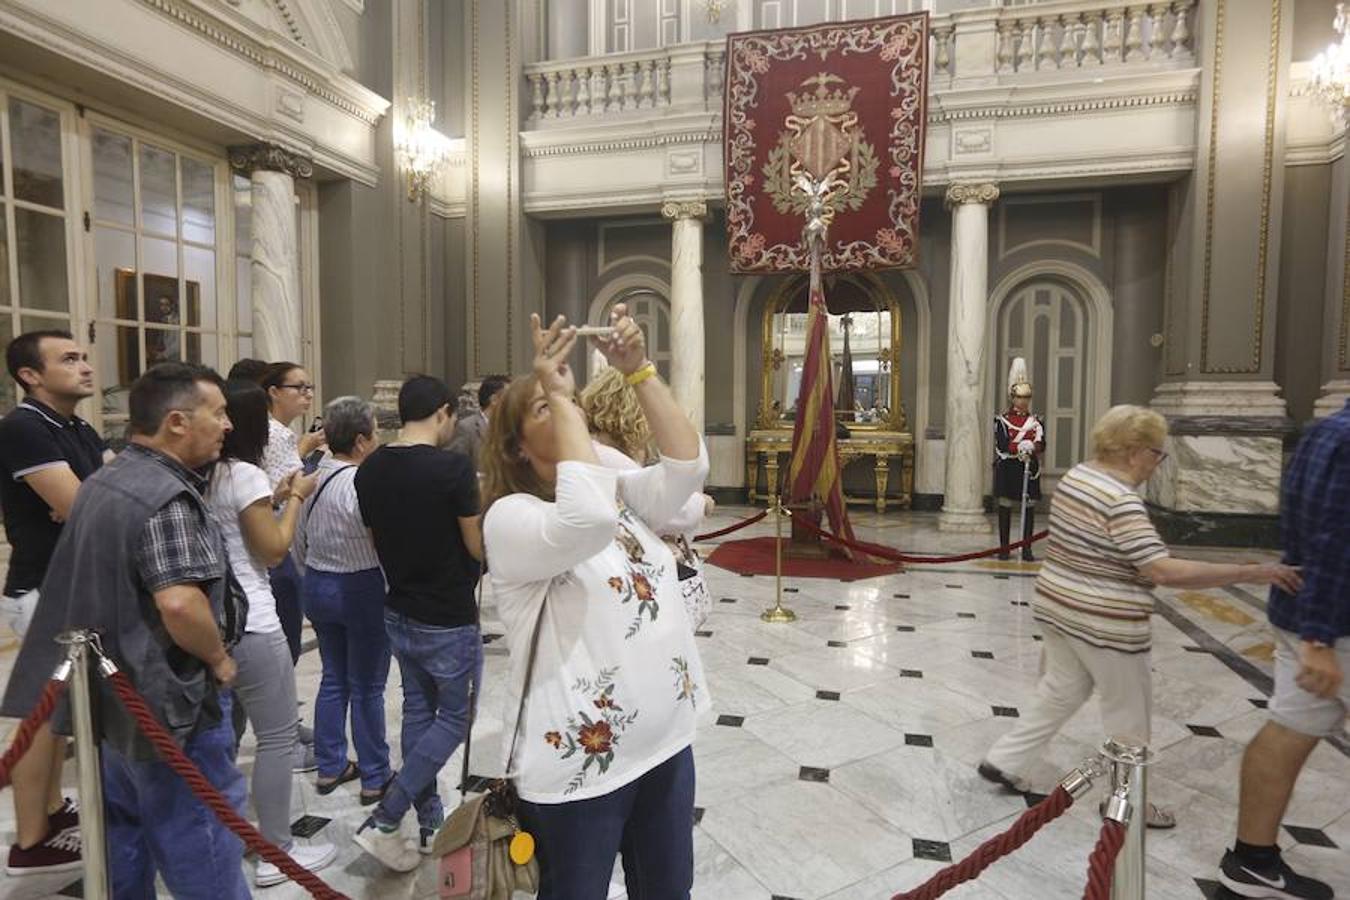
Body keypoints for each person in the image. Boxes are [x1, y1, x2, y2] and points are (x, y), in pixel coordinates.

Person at [977, 405, 1302, 829]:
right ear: (1133, 452)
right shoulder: (1121, 500)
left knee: (1060, 691)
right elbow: (1162, 570)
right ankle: (1127, 802)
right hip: (1106, 625)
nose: (1157, 462)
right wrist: (1250, 571)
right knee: (1129, 718)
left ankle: (1006, 759)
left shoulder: (1077, 476)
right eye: (1156, 453)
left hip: (1058, 608)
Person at [482, 307, 710, 898]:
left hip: (662, 745)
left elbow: (687, 470)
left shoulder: (613, 487)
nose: (568, 408)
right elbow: (587, 519)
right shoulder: (513, 518)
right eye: (545, 406)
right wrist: (558, 389)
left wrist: (639, 372)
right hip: (582, 769)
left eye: (570, 398)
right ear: (514, 448)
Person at [1, 362, 251, 898]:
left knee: (125, 831)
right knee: (202, 840)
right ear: (178, 421)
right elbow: (180, 603)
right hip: (170, 707)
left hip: (113, 702)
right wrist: (218, 659)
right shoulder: (165, 496)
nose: (227, 424)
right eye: (219, 412)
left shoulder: (105, 479)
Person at [1216, 400, 1349, 900]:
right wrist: (1320, 636)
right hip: (1334, 622)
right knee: (1290, 728)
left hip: (1304, 605)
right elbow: (1339, 540)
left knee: (1290, 728)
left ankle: (1252, 860)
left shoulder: (1323, 432)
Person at [207, 379, 336, 887]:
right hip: (253, 619)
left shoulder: (205, 473)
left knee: (227, 733)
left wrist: (277, 495)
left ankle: (228, 830)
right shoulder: (243, 474)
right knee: (278, 737)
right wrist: (298, 497)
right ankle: (275, 852)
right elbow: (273, 549)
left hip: (216, 618)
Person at [352, 375, 483, 870]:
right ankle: (387, 818)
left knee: (417, 713)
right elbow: (475, 547)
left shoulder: (370, 470)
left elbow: (374, 537)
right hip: (447, 614)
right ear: (445, 412)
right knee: (453, 718)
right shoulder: (451, 470)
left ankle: (431, 825)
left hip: (399, 607)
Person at [0, 330, 109, 876]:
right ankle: (30, 843)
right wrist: (83, 500)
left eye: (84, 356)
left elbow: (105, 493)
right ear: (30, 375)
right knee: (40, 718)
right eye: (69, 359)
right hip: (41, 585)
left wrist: (85, 500)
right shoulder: (22, 428)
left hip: (69, 583)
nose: (85, 366)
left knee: (58, 716)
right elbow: (84, 504)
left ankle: (48, 808)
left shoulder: (76, 426)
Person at [294, 396, 392, 805]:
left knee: (333, 676)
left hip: (317, 582)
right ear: (360, 440)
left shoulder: (311, 476)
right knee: (368, 685)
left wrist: (312, 571)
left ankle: (331, 764)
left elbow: (298, 538)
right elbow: (380, 543)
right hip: (360, 587)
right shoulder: (362, 483)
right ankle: (375, 773)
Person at [259, 361, 325, 662]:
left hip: (281, 538)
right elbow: (278, 488)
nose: (307, 395)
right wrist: (304, 449)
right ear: (273, 391)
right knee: (286, 645)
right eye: (298, 388)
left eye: (309, 388)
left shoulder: (282, 433)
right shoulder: (275, 434)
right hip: (275, 538)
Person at [993, 357, 1044, 561]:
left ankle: (1027, 547)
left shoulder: (1036, 421)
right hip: (1009, 468)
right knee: (1005, 507)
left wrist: (1032, 447)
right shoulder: (1002, 420)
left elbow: (1042, 443)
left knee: (1029, 508)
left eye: (1026, 398)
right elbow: (1002, 445)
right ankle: (1004, 547)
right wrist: (1019, 447)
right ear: (1012, 398)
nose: (1023, 401)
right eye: (1019, 397)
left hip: (1029, 469)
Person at [448, 373, 509, 468]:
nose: (514, 400)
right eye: (509, 396)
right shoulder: (467, 427)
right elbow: (456, 465)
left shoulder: (512, 425)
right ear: (494, 400)